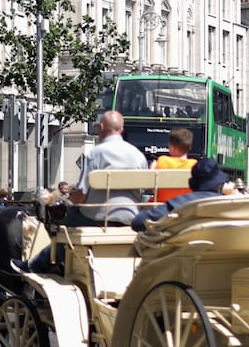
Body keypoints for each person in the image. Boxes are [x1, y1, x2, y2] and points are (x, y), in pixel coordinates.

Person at [14, 110, 147, 273]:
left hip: (98, 219)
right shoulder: (138, 155)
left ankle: (42, 263)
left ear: (102, 127)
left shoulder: (95, 154)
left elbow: (82, 196)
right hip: (130, 220)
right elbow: (140, 192)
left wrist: (68, 199)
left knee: (66, 223)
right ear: (122, 128)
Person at [131, 158, 231, 231]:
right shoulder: (231, 205)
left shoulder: (180, 203)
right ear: (219, 184)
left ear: (193, 183)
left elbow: (138, 222)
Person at [151, 127, 196, 203]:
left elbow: (150, 186)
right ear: (189, 147)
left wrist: (152, 168)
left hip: (162, 207)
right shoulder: (194, 165)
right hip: (186, 207)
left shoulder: (162, 161)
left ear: (172, 147)